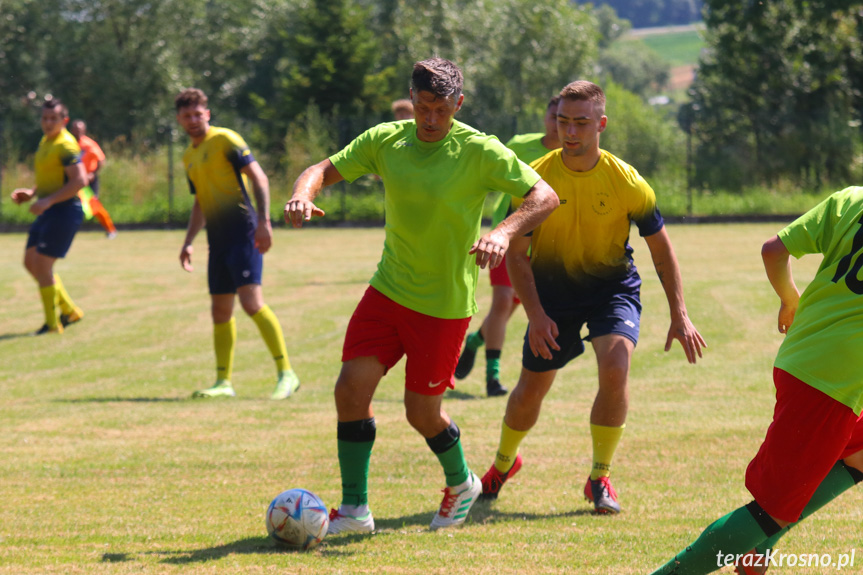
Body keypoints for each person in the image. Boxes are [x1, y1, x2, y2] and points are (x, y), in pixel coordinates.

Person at [284, 57, 559, 534]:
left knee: (421, 413)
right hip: (387, 290)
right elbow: (321, 170)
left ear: (459, 103)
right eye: (423, 107)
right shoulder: (386, 140)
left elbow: (545, 196)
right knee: (349, 391)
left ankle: (462, 483)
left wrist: (503, 231)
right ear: (411, 100)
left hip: (443, 306)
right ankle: (355, 510)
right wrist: (301, 194)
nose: (431, 120)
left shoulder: (480, 149)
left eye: (442, 109)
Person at [478, 81, 706, 515]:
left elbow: (661, 248)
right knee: (529, 392)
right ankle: (504, 464)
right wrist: (537, 314)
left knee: (616, 367)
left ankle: (600, 477)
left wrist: (680, 313)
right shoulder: (534, 179)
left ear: (600, 124)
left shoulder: (627, 181)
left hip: (612, 288)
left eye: (581, 123)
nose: (570, 131)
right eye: (563, 121)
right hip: (552, 296)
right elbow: (518, 257)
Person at [649, 186, 863, 575]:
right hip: (832, 380)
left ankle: (759, 548)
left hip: (805, 355)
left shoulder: (852, 198)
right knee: (771, 510)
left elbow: (773, 251)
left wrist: (789, 297)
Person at [175, 88, 300, 400]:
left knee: (251, 303)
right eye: (186, 115)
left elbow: (259, 178)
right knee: (220, 311)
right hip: (216, 241)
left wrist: (264, 221)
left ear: (208, 113)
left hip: (244, 233)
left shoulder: (226, 140)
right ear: (179, 119)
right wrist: (188, 241)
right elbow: (200, 202)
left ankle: (287, 374)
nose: (192, 120)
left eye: (197, 113)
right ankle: (223, 383)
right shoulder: (188, 156)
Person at [455, 95, 562, 397]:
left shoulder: (573, 154)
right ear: (545, 117)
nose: (557, 124)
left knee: (520, 306)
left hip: (544, 245)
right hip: (508, 236)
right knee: (502, 302)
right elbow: (488, 178)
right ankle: (493, 378)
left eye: (563, 118)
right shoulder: (520, 144)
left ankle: (475, 342)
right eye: (553, 116)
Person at [11, 98, 87, 335]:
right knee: (30, 262)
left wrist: (48, 201)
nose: (48, 123)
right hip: (49, 210)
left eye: (53, 118)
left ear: (64, 120)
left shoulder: (66, 145)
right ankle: (70, 309)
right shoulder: (46, 141)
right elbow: (50, 177)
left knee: (42, 265)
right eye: (44, 118)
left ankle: (53, 325)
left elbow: (80, 181)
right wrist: (32, 193)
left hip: (64, 211)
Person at [68, 120, 118, 239]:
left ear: (84, 131)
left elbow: (101, 160)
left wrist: (92, 174)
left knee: (94, 206)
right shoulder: (68, 143)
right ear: (71, 130)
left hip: (88, 181)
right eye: (75, 129)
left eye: (80, 130)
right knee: (69, 205)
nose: (77, 132)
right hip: (73, 180)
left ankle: (111, 230)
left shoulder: (89, 144)